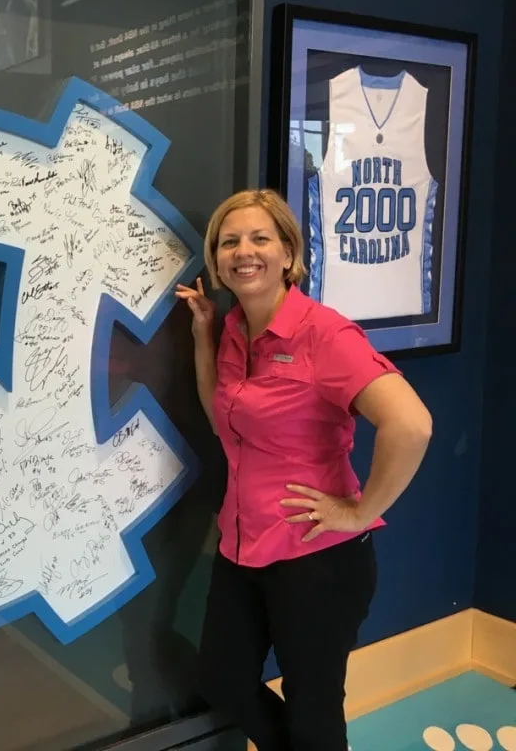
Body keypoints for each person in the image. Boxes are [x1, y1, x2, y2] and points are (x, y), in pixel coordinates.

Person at [175, 189, 432, 751]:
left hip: (318, 558)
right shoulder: (236, 329)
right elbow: (221, 418)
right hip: (243, 546)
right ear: (216, 259)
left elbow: (411, 426)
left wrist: (360, 512)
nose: (244, 251)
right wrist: (202, 334)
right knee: (223, 677)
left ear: (289, 253)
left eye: (260, 238)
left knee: (314, 709)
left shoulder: (326, 335)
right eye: (229, 241)